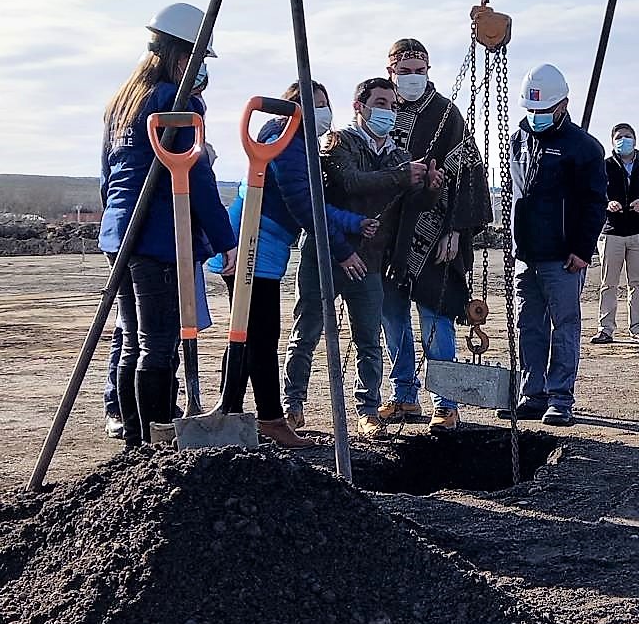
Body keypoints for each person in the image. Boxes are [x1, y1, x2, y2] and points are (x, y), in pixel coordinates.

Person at [98, 2, 237, 447]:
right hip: (159, 236)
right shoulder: (176, 102)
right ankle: (156, 439)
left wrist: (118, 223)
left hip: (121, 232)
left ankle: (135, 438)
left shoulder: (123, 100)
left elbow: (107, 175)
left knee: (135, 340)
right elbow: (197, 175)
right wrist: (224, 240)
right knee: (158, 343)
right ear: (182, 56)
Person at [210, 84, 374, 449]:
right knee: (259, 334)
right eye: (313, 106)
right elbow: (304, 206)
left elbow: (314, 201)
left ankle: (236, 412)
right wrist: (344, 250)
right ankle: (268, 419)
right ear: (291, 109)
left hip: (263, 243)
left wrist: (351, 222)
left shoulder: (298, 143)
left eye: (324, 105)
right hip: (251, 244)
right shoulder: (283, 140)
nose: (322, 112)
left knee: (250, 333)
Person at [312, 78, 439, 438]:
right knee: (307, 333)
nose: (388, 112)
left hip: (370, 259)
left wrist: (430, 188)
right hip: (331, 253)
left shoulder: (396, 154)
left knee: (369, 338)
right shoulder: (339, 143)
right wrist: (400, 175)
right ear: (360, 106)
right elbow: (351, 182)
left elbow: (410, 204)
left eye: (392, 106)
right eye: (381, 104)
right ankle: (293, 409)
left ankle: (367, 410)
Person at [379, 38, 492, 433]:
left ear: (429, 70)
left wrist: (457, 231)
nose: (412, 78)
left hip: (434, 234)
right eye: (404, 71)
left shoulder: (446, 113)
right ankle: (403, 396)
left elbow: (469, 173)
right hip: (387, 236)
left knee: (435, 317)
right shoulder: (381, 108)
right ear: (391, 70)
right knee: (392, 318)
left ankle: (446, 402)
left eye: (419, 70)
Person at [507, 63, 607, 425]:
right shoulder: (518, 140)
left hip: (564, 258)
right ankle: (532, 394)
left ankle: (560, 398)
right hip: (527, 255)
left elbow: (594, 203)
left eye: (543, 110)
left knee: (564, 325)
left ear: (563, 103)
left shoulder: (584, 148)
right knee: (528, 325)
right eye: (531, 110)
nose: (536, 117)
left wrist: (582, 249)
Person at [594, 122, 639, 344]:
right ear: (612, 141)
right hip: (612, 234)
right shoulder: (604, 166)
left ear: (635, 140)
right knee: (608, 283)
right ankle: (605, 329)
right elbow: (591, 193)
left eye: (627, 136)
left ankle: (638, 329)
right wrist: (608, 203)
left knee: (637, 283)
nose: (623, 140)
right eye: (619, 137)